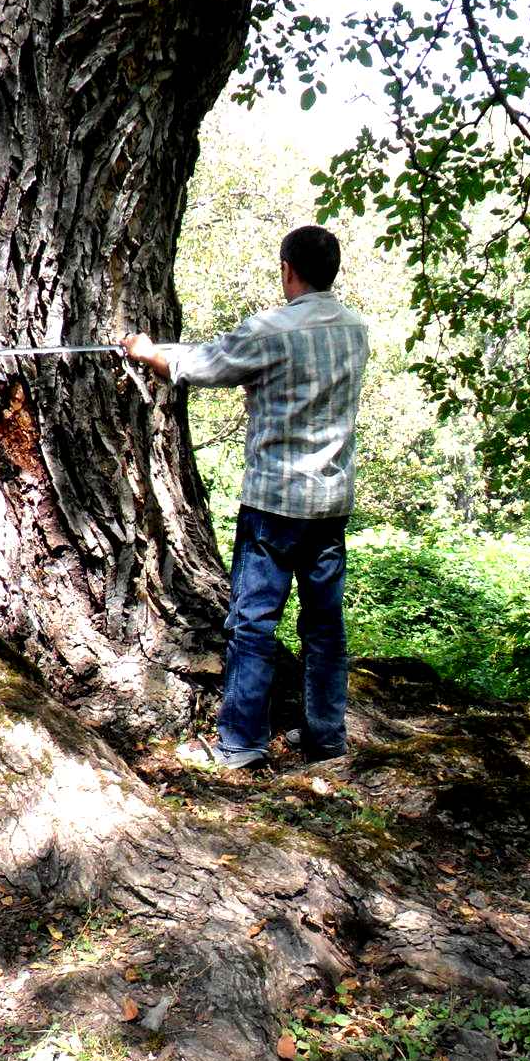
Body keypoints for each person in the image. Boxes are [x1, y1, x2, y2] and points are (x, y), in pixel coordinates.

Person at [122, 224, 369, 768]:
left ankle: (239, 743)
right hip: (329, 503)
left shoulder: (270, 329)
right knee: (324, 626)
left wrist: (146, 352)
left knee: (253, 622)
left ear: (288, 270)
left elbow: (201, 366)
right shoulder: (355, 329)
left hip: (275, 505)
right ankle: (328, 738)